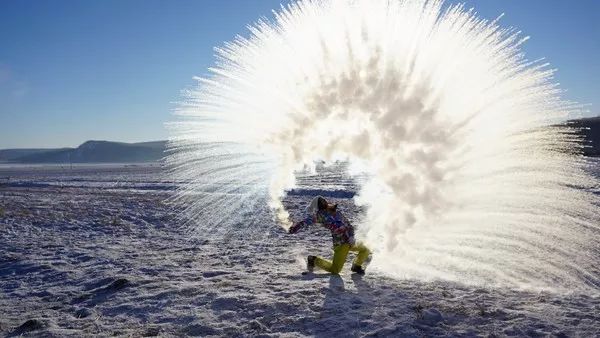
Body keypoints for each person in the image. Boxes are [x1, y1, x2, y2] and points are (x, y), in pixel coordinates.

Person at [288, 196, 371, 275]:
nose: (324, 203)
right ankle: (314, 260)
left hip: (350, 240)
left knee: (366, 249)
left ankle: (356, 266)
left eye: (323, 202)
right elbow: (306, 221)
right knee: (335, 270)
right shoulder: (320, 216)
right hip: (341, 244)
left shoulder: (336, 212)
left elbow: (348, 225)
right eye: (321, 203)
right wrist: (295, 227)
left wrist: (352, 236)